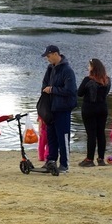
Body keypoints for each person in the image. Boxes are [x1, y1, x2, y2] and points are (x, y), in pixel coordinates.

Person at [40, 45, 77, 173]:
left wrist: (52, 90)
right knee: (51, 137)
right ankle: (51, 161)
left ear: (56, 54)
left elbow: (71, 90)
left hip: (63, 109)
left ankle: (64, 164)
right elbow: (44, 84)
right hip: (51, 109)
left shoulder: (67, 70)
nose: (47, 59)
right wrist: (47, 91)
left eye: (49, 56)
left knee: (63, 137)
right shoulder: (50, 68)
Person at [77, 58, 111, 167]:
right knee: (101, 133)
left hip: (89, 109)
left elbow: (79, 93)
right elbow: (106, 93)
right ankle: (101, 159)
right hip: (102, 109)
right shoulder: (107, 80)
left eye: (89, 66)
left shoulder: (88, 80)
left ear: (93, 68)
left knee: (91, 134)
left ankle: (89, 159)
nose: (88, 68)